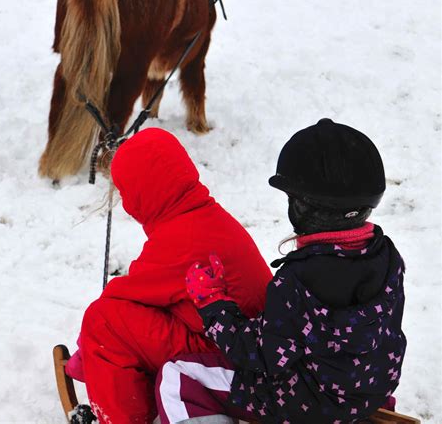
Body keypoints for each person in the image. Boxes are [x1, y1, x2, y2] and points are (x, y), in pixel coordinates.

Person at [155, 118, 407, 424]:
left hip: (309, 407)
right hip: (368, 393)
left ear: (300, 207)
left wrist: (214, 306)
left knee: (177, 377)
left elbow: (259, 355)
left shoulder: (297, 280)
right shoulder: (387, 256)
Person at [66, 128, 272, 424]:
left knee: (104, 320)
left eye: (126, 193)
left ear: (142, 192)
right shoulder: (205, 217)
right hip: (246, 348)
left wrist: (83, 362)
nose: (126, 204)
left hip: (229, 362)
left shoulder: (181, 238)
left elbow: (120, 302)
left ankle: (124, 417)